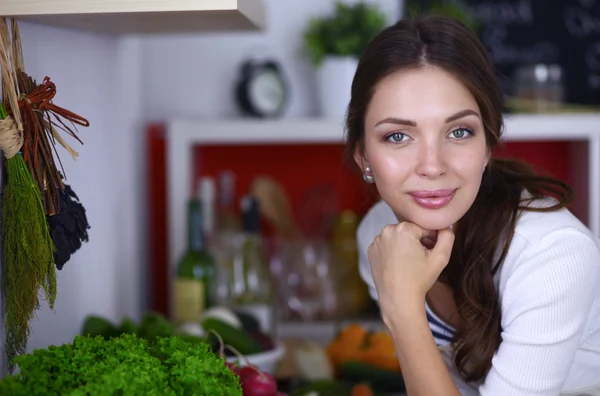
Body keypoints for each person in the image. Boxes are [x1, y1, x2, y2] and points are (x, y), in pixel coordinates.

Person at [348, 14, 600, 396]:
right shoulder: (379, 236)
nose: (432, 166)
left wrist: (402, 306)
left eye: (459, 131)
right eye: (398, 136)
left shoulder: (552, 254)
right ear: (364, 156)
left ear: (487, 146)